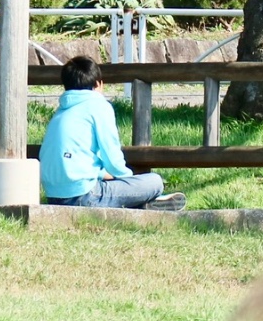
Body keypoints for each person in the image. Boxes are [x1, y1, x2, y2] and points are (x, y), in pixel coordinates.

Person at [39, 55, 185, 211]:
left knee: (120, 184)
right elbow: (112, 156)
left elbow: (75, 158)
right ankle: (142, 202)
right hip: (84, 195)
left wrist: (104, 175)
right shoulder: (98, 105)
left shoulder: (61, 111)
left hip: (53, 195)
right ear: (98, 84)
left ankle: (140, 204)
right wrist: (130, 180)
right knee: (155, 182)